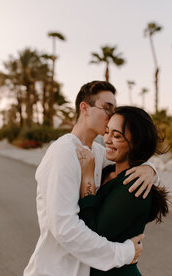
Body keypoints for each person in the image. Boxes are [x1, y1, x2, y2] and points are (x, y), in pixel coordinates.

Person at [24, 81, 157, 276]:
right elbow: (65, 228)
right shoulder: (63, 153)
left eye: (115, 109)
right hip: (57, 269)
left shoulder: (97, 152)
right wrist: (124, 252)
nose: (112, 116)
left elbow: (129, 158)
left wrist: (149, 168)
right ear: (84, 108)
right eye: (107, 108)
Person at [77, 106, 170, 276]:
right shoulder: (108, 171)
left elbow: (92, 234)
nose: (107, 139)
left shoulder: (134, 185)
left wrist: (88, 179)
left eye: (117, 136)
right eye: (107, 132)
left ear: (136, 143)